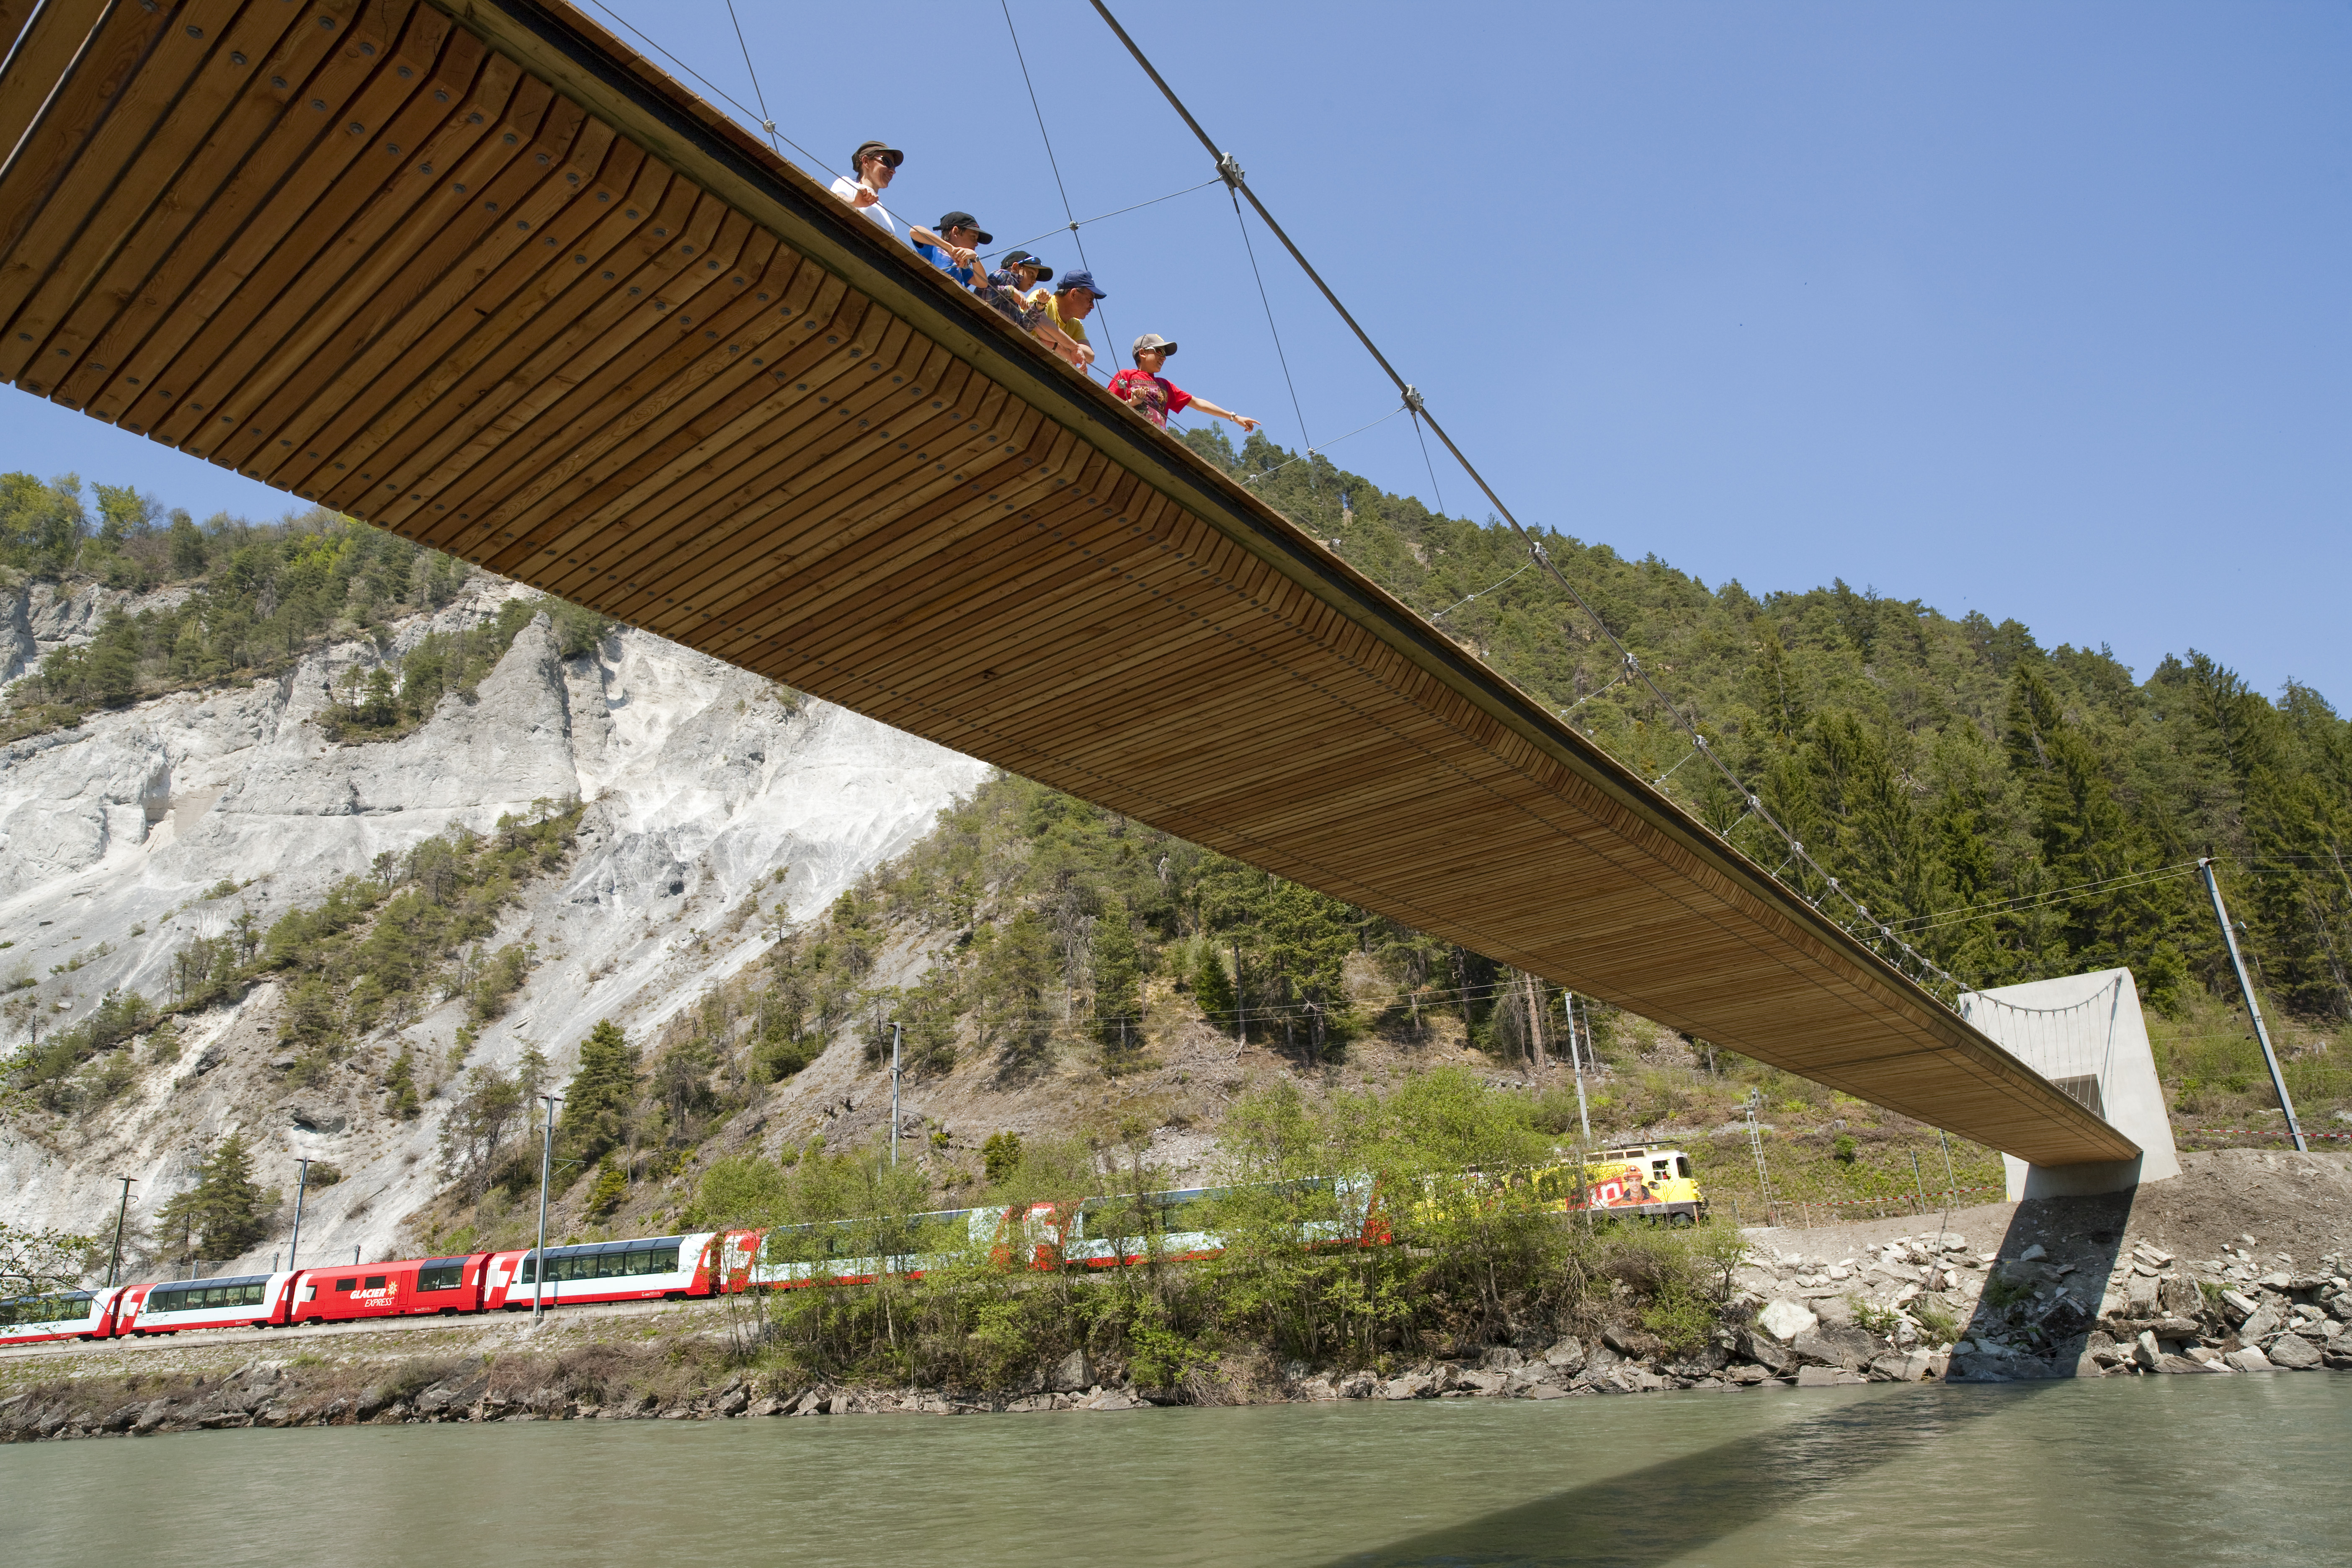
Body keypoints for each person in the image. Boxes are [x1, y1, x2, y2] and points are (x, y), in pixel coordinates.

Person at [1105, 333, 1258, 434]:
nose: (1164, 358)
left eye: (1165, 355)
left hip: (1157, 441)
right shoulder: (1126, 376)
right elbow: (1106, 406)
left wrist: (1234, 417)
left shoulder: (1165, 386)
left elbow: (1198, 403)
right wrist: (1132, 403)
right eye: (1160, 352)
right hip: (1129, 434)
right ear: (1143, 353)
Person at [828, 139, 903, 235]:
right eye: (887, 162)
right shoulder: (847, 183)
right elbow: (835, 200)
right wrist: (855, 203)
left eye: (894, 167)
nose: (893, 171)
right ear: (866, 162)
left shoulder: (886, 217)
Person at [1043, 271, 1104, 371]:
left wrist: (1054, 345)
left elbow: (1090, 356)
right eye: (1090, 299)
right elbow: (1041, 326)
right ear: (1074, 294)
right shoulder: (1044, 300)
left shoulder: (1076, 324)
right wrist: (1075, 349)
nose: (1092, 306)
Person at [911, 211, 988, 286]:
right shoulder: (934, 247)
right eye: (973, 237)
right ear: (956, 232)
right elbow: (914, 231)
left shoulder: (962, 265)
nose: (977, 243)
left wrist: (975, 258)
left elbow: (983, 283)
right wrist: (950, 249)